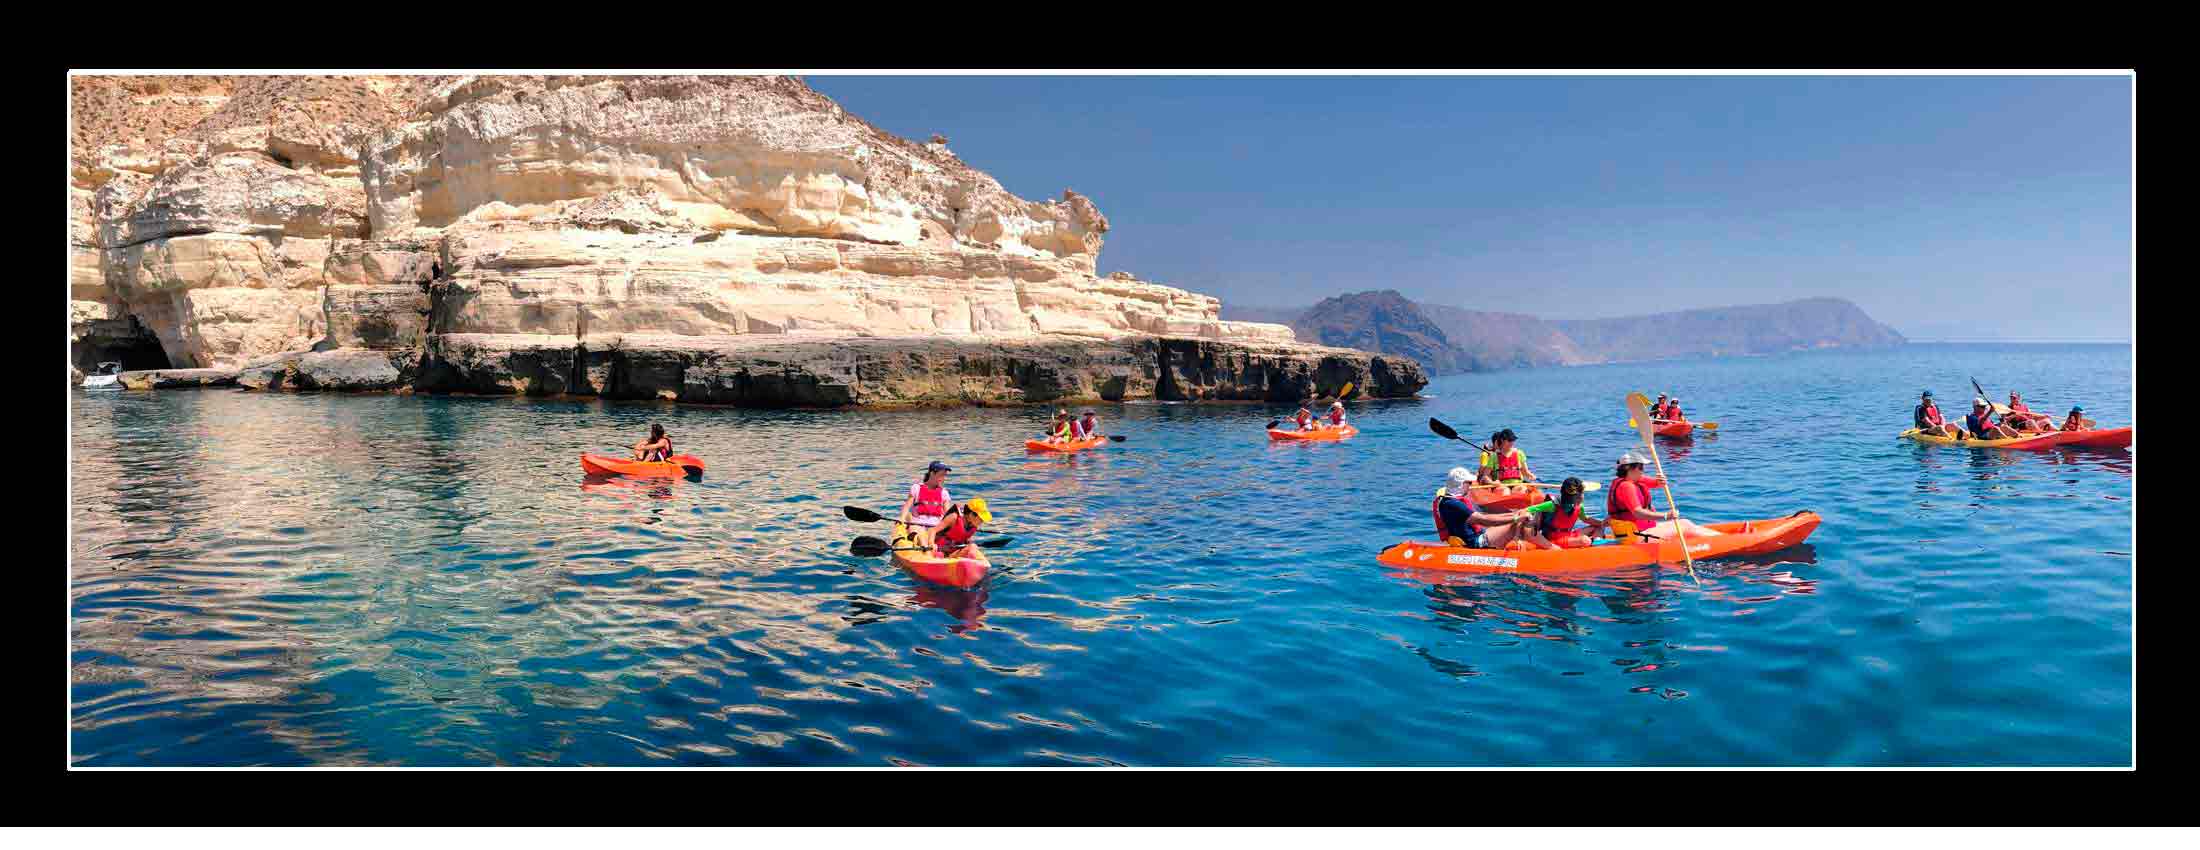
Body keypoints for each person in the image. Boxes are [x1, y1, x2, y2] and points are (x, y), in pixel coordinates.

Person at [1607, 451, 1719, 539]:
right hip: (1635, 536)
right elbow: (1638, 513)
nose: (1642, 471)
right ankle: (1724, 540)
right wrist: (1665, 516)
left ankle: (1722, 538)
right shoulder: (1627, 486)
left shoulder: (1634, 480)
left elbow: (1656, 483)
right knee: (1684, 526)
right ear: (1629, 469)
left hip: (1637, 531)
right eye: (1640, 467)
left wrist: (1661, 480)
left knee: (1685, 522)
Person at [1432, 467, 1545, 550]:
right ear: (1461, 484)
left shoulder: (1449, 501)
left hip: (1477, 535)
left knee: (1518, 520)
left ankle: (1533, 546)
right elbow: (1483, 520)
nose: (1471, 485)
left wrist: (1516, 514)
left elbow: (1485, 518)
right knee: (1518, 524)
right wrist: (1515, 519)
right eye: (1469, 482)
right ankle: (1552, 550)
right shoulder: (1453, 504)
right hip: (1475, 542)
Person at [1521, 477, 1610, 548]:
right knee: (1584, 540)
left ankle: (1594, 543)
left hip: (1569, 534)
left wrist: (1602, 523)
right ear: (1574, 497)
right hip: (1553, 538)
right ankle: (1590, 543)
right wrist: (1526, 516)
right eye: (1581, 495)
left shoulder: (1579, 506)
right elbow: (1530, 509)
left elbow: (1586, 519)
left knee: (1598, 527)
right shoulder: (1552, 505)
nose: (1583, 497)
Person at [898, 461, 955, 549]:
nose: (943, 478)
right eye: (941, 475)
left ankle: (929, 548)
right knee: (920, 535)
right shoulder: (916, 488)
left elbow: (948, 514)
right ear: (932, 473)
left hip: (935, 527)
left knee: (934, 537)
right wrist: (901, 519)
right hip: (918, 524)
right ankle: (923, 547)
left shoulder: (944, 493)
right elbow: (907, 506)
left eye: (945, 476)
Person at [1475, 428, 1538, 498]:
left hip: (1517, 484)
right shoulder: (1494, 456)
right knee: (1505, 491)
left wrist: (1531, 476)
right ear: (1502, 440)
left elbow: (1525, 472)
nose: (1512, 443)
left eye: (1513, 440)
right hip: (1501, 486)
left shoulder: (1519, 453)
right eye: (1509, 440)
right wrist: (1492, 483)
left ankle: (1521, 504)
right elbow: (1485, 476)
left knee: (1522, 490)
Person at [928, 498, 994, 557]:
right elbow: (932, 530)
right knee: (973, 547)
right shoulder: (954, 517)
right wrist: (931, 544)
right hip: (940, 549)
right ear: (971, 515)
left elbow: (963, 537)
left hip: (953, 552)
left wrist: (968, 542)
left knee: (973, 546)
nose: (982, 521)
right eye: (981, 519)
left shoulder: (973, 524)